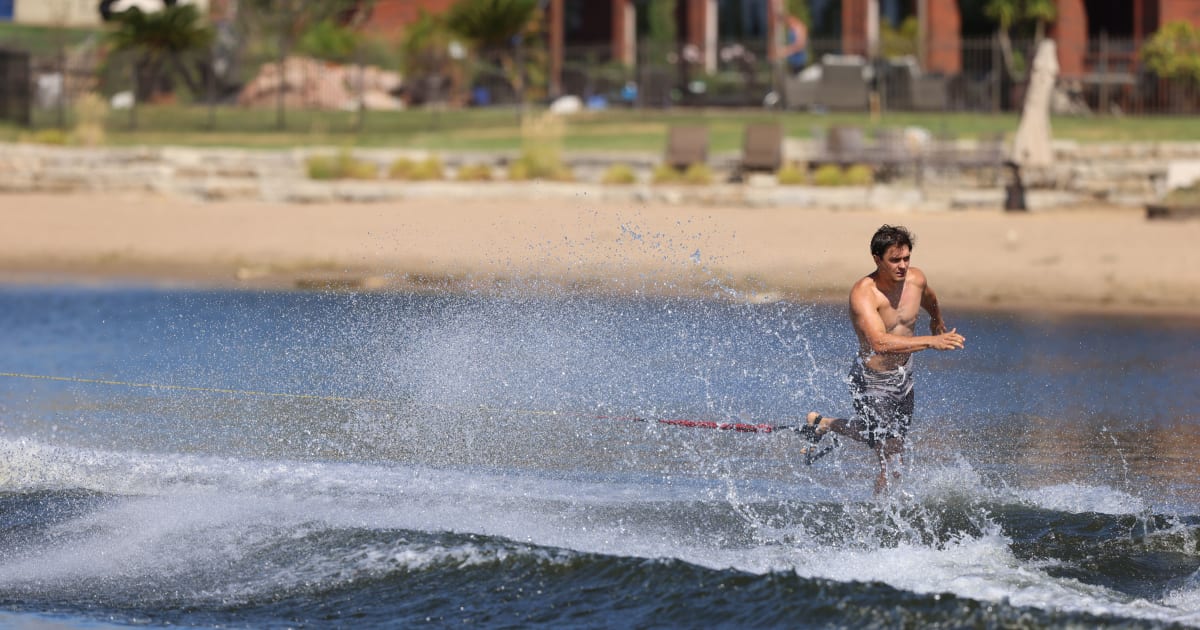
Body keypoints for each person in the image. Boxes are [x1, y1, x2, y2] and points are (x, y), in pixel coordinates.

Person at [800, 225, 965, 494]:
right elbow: (880, 343)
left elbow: (930, 298)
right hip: (872, 381)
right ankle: (882, 513)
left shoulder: (916, 279)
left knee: (891, 447)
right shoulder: (864, 293)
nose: (903, 266)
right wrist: (931, 341)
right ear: (877, 259)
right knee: (891, 458)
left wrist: (937, 322)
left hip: (904, 377)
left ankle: (823, 423)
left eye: (906, 258)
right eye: (894, 260)